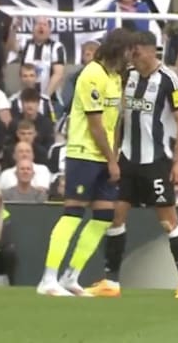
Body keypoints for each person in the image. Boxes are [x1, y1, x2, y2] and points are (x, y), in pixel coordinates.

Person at [85, 31, 178, 299]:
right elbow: (120, 119)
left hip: (156, 160)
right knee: (115, 216)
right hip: (128, 161)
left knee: (168, 221)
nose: (132, 55)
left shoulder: (170, 80)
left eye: (136, 50)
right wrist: (114, 153)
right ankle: (111, 282)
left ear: (149, 50)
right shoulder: (127, 76)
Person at [36, 28, 134, 297]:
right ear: (118, 48)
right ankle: (48, 278)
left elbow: (115, 123)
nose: (131, 57)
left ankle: (71, 275)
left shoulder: (115, 78)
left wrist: (113, 156)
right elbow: (95, 124)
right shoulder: (92, 74)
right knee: (73, 214)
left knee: (103, 217)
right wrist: (112, 161)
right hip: (84, 154)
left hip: (104, 157)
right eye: (128, 51)